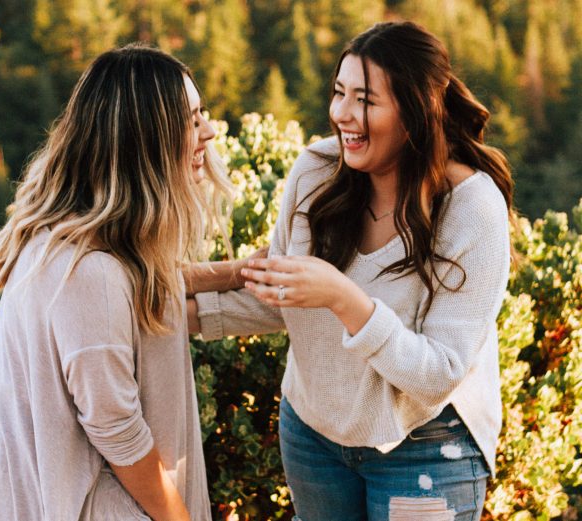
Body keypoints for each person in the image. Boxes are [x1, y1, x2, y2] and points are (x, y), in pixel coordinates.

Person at [189, 21, 513, 520]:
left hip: (427, 442)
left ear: (417, 110)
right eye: (339, 93)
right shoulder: (317, 172)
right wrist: (168, 307)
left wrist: (345, 298)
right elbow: (280, 296)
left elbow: (438, 375)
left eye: (365, 100)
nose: (342, 114)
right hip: (313, 433)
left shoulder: (472, 210)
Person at [0, 43, 224, 521]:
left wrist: (236, 272)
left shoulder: (83, 236)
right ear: (147, 140)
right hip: (73, 502)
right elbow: (119, 432)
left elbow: (143, 285)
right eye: (192, 119)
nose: (208, 131)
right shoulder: (87, 273)